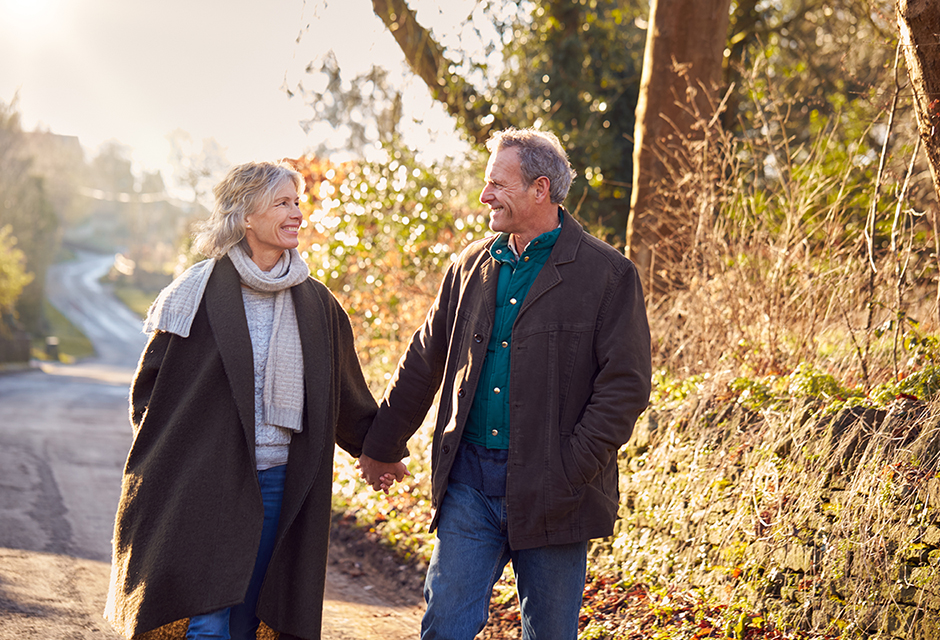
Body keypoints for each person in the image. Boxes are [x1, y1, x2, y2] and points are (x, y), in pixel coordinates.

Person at [359, 127, 653, 639]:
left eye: (497, 183)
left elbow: (625, 386)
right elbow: (424, 361)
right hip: (469, 484)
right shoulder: (468, 266)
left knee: (550, 634)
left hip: (556, 493)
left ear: (541, 189)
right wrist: (383, 445)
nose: (484, 195)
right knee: (445, 626)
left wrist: (571, 467)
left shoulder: (609, 275)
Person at [105, 161, 388, 640]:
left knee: (249, 618)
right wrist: (176, 460)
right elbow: (151, 393)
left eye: (297, 202)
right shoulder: (194, 292)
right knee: (206, 617)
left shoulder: (317, 304)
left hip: (281, 481)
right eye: (282, 203)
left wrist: (380, 448)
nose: (297, 212)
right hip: (204, 483)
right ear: (245, 217)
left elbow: (348, 396)